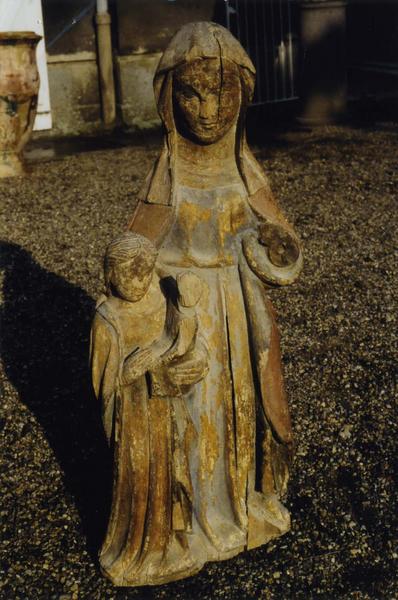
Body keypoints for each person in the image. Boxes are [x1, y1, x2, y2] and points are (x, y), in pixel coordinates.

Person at [127, 21, 303, 582]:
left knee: (242, 418)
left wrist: (276, 247)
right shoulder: (169, 174)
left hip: (241, 321)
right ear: (168, 98)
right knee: (199, 426)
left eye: (222, 93)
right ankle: (198, 519)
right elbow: (134, 252)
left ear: (243, 95)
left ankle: (243, 504)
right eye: (192, 94)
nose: (208, 110)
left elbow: (285, 246)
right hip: (192, 326)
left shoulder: (245, 170)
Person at [90, 231, 208, 585]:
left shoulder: (161, 301)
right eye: (129, 274)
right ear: (110, 275)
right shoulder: (107, 318)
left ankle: (170, 542)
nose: (139, 282)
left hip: (165, 411)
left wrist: (191, 359)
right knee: (138, 480)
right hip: (132, 420)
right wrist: (128, 372)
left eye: (145, 273)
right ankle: (135, 550)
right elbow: (101, 383)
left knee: (172, 472)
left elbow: (187, 343)